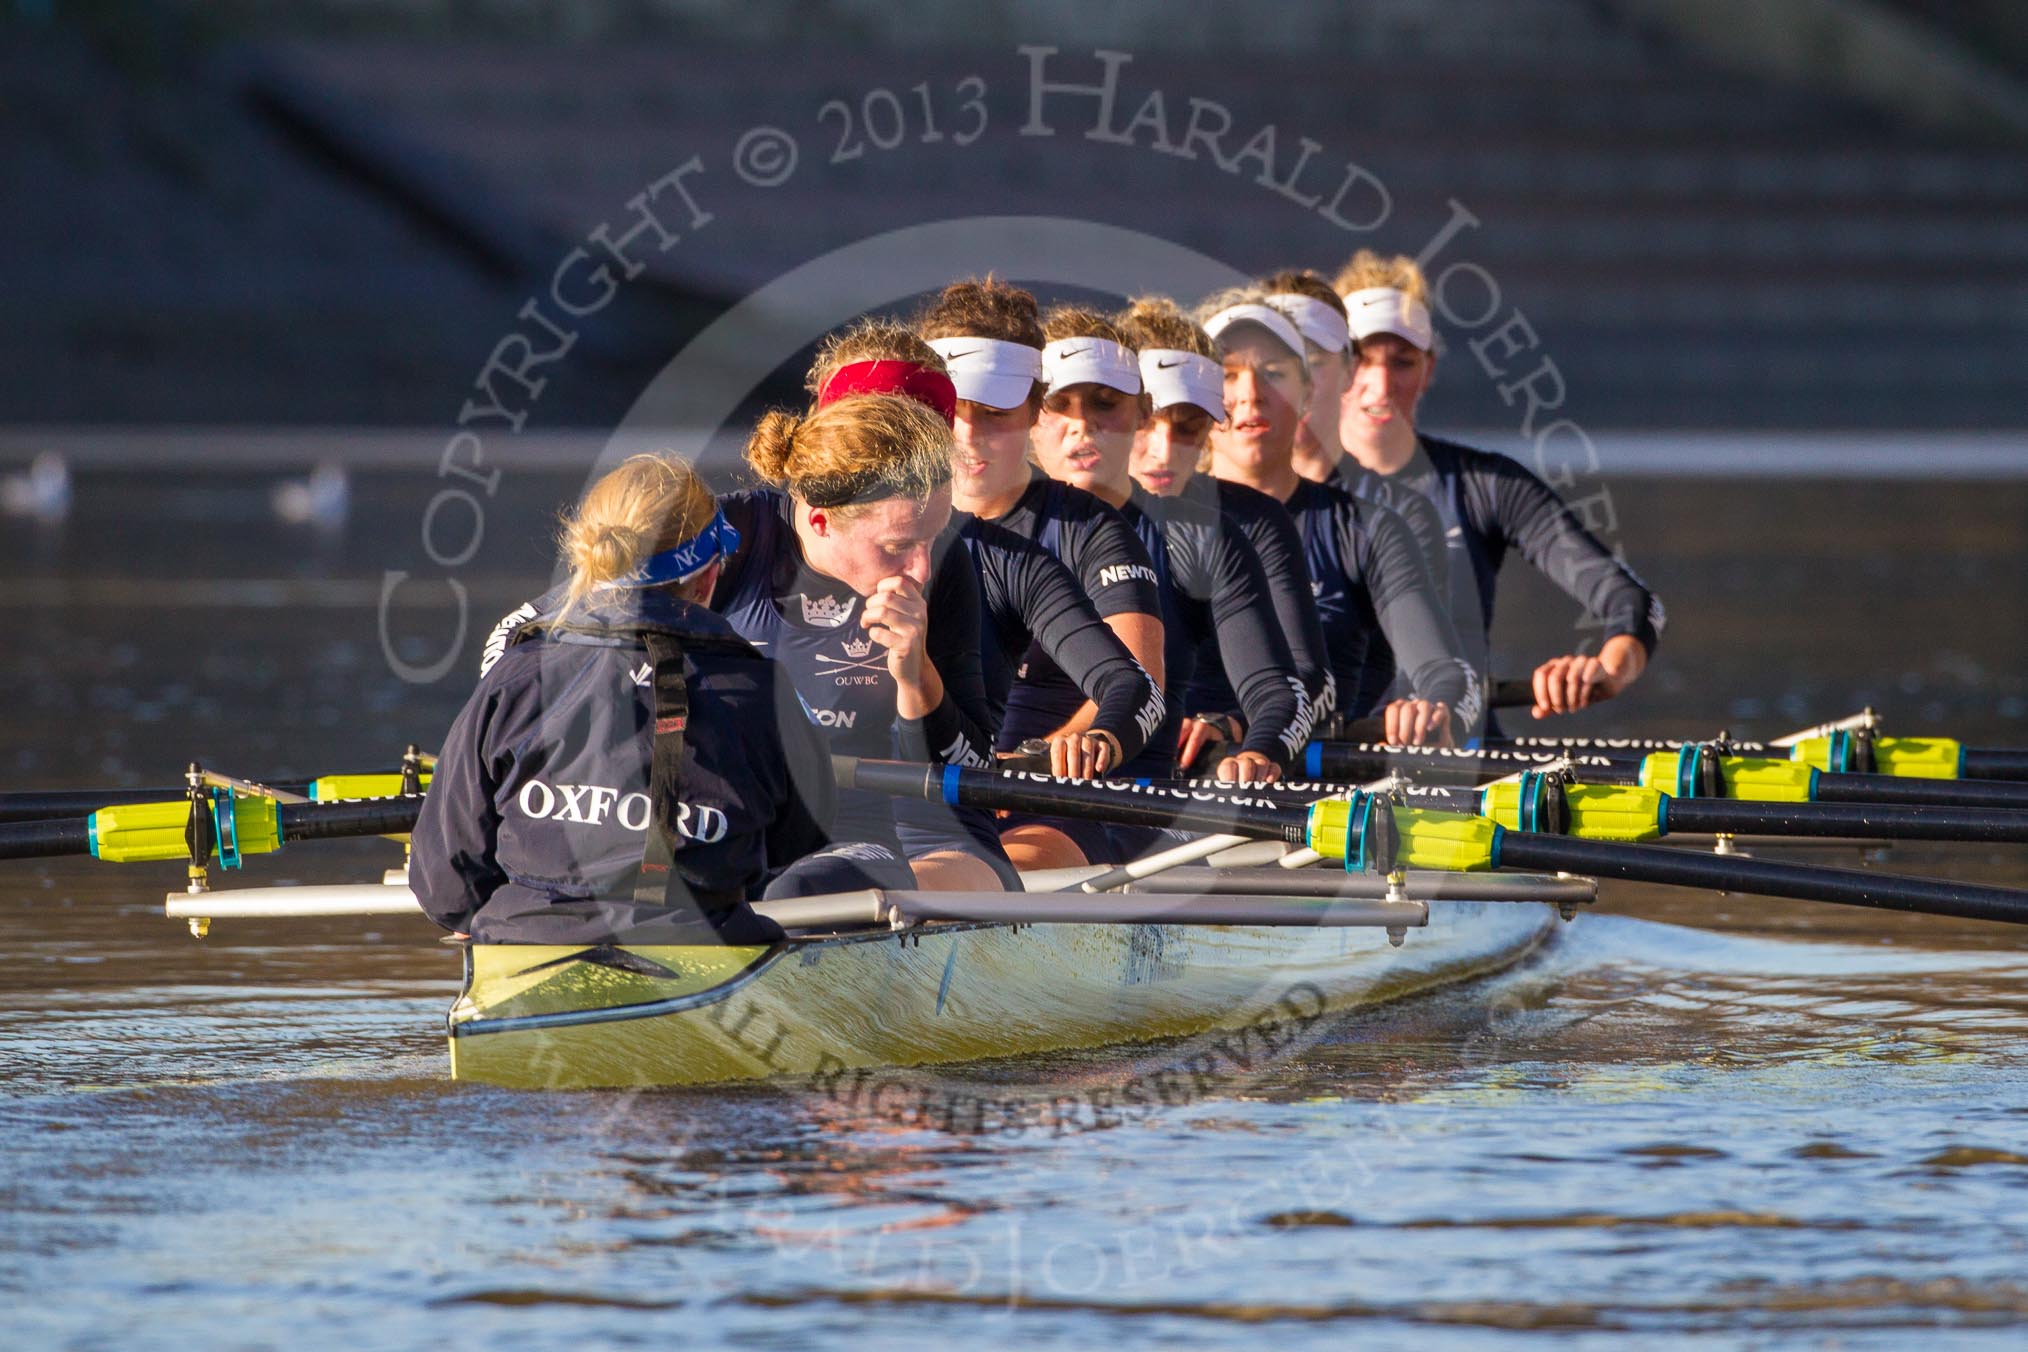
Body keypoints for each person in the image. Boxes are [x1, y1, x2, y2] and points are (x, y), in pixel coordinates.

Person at [411, 454, 831, 946]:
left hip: (524, 944)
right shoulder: (765, 693)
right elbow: (799, 846)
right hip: (703, 947)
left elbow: (445, 887)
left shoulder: (515, 677)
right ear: (709, 574)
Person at [811, 311, 1163, 780]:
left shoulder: (1026, 552)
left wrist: (1062, 752)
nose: (968, 435)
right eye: (954, 415)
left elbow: (1139, 684)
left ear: (1036, 412)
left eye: (994, 413)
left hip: (1013, 789)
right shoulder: (752, 526)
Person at [1332, 249, 1665, 723]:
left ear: (1427, 371)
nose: (1380, 384)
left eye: (1401, 362)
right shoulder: (1289, 489)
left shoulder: (1485, 485)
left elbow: (1633, 600)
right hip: (1330, 757)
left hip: (1464, 762)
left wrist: (1610, 669)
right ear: (1329, 368)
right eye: (1361, 359)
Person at [715, 392, 1016, 894]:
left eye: (933, 538)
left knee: (791, 891)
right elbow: (558, 634)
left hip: (904, 837)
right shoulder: (726, 537)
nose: (921, 568)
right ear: (819, 520)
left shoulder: (945, 569)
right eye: (898, 547)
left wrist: (916, 676)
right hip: (744, 817)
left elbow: (972, 770)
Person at [1199, 288, 1482, 746]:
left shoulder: (1370, 529)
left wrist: (1437, 705)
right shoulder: (1149, 521)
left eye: (1273, 373)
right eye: (1228, 376)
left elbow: (1448, 674)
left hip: (1318, 787)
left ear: (1307, 393)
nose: (1250, 394)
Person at [1116, 295, 1334, 772]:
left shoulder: (1252, 522)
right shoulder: (1038, 518)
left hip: (1206, 763)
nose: (1164, 451)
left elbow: (1310, 681)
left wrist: (1237, 726)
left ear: (1212, 425)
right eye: (1146, 423)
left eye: (1188, 427)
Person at [1261, 268, 1450, 588]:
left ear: (1348, 372)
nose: (1298, 385)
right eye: (1276, 367)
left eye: (1315, 362)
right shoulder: (1193, 502)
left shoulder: (1403, 514)